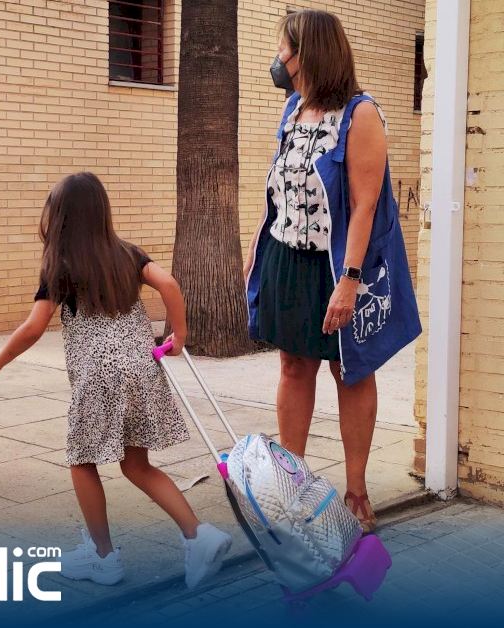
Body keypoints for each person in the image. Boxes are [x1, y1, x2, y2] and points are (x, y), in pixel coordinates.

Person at [0, 172, 232, 589]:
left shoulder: (61, 265)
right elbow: (168, 283)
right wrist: (179, 335)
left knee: (81, 461)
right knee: (136, 464)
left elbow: (34, 326)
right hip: (141, 369)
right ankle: (198, 534)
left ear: (60, 218)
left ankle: (102, 557)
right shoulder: (126, 254)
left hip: (98, 377)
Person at [244, 10, 421, 533]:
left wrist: (350, 279)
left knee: (350, 370)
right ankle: (293, 489)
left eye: (285, 49)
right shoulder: (293, 109)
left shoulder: (360, 114)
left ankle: (356, 493)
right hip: (288, 257)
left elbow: (365, 204)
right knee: (293, 366)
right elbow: (279, 184)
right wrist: (257, 242)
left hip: (338, 263)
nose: (279, 59)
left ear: (310, 54)